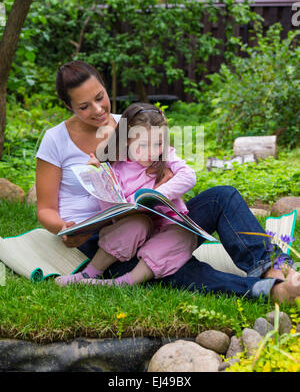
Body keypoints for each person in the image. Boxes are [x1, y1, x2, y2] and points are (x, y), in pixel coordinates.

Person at [35, 60, 300, 303]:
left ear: (104, 87)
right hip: (103, 238)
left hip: (159, 220)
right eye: (84, 106)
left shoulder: (133, 123)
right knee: (172, 269)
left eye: (100, 97)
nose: (98, 109)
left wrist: (161, 185)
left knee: (223, 196)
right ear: (68, 106)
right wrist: (65, 228)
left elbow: (176, 165)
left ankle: (270, 267)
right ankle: (269, 292)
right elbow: (45, 209)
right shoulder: (55, 139)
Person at [54, 102, 198, 287]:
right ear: (128, 140)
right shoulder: (116, 167)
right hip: (131, 233)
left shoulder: (166, 156)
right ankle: (88, 274)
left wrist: (156, 194)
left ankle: (124, 282)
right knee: (137, 224)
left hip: (165, 228)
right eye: (143, 145)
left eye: (159, 143)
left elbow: (189, 176)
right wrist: (98, 178)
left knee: (182, 235)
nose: (152, 152)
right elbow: (111, 209)